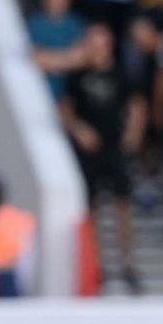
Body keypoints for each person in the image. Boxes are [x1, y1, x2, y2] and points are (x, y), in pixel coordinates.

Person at [60, 23, 147, 293]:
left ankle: (127, 262)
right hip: (90, 151)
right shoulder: (78, 75)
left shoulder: (121, 73)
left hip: (115, 147)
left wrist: (133, 133)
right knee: (93, 207)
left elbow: (137, 104)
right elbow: (65, 109)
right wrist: (80, 131)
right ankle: (97, 265)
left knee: (123, 205)